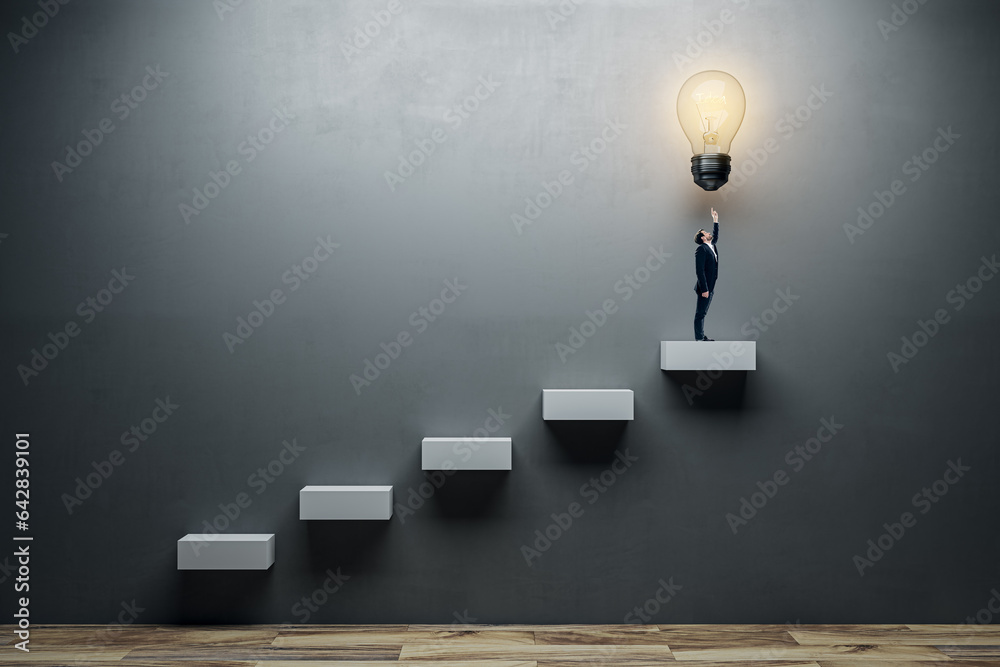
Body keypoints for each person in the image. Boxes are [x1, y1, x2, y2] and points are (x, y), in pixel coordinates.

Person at [693, 207, 720, 341]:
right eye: (706, 233)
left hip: (711, 286)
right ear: (703, 238)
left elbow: (716, 236)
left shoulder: (712, 246)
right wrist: (704, 289)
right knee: (700, 313)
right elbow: (699, 270)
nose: (710, 233)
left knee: (703, 312)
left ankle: (701, 337)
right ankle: (699, 338)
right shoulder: (701, 249)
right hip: (705, 288)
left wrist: (715, 221)